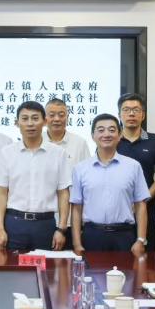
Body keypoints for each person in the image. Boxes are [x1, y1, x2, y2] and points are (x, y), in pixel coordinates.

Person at [0, 101, 71, 251]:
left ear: (44, 122)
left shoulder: (58, 153)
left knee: (46, 266)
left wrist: (61, 228)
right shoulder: (7, 153)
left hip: (45, 224)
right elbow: (1, 192)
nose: (30, 123)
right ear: (17, 123)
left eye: (35, 118)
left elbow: (63, 192)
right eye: (25, 119)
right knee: (12, 265)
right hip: (14, 223)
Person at [71, 114, 150, 253]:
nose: (106, 134)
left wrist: (140, 240)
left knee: (126, 269)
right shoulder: (80, 168)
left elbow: (141, 205)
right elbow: (76, 208)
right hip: (92, 234)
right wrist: (77, 244)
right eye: (101, 130)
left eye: (112, 130)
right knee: (91, 269)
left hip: (124, 235)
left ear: (119, 135)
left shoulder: (133, 166)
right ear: (92, 136)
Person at [116, 93, 155, 251]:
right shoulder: (111, 140)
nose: (131, 113)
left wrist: (141, 200)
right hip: (117, 212)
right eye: (126, 109)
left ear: (143, 115)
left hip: (147, 210)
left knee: (145, 259)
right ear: (119, 115)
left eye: (136, 110)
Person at [45, 98, 90, 249]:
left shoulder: (79, 143)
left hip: (72, 220)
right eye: (52, 115)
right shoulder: (37, 141)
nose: (57, 119)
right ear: (45, 118)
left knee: (68, 262)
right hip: (43, 219)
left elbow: (87, 180)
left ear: (67, 117)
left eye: (61, 115)